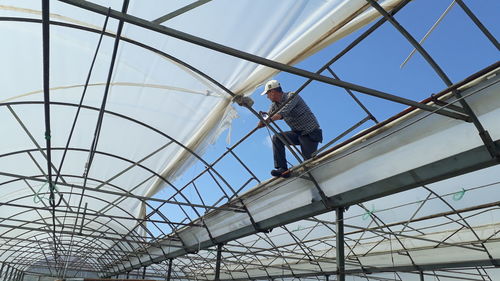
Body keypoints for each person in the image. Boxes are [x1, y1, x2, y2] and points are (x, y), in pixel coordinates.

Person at [257, 80, 322, 178]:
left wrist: (269, 119)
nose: (267, 97)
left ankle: (315, 176)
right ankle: (282, 168)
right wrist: (262, 120)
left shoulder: (291, 96)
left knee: (309, 164)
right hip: (297, 133)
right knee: (277, 138)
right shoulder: (274, 105)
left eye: (267, 94)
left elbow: (283, 113)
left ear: (273, 92)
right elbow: (268, 117)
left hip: (310, 133)